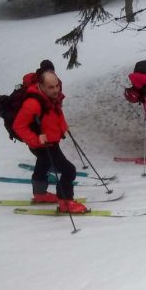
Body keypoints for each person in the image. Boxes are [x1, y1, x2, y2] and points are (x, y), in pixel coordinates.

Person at [13, 67, 87, 213]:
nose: (55, 90)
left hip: (51, 141)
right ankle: (65, 203)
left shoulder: (51, 97)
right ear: (41, 86)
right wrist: (36, 139)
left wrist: (64, 126)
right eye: (51, 87)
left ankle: (40, 194)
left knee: (43, 164)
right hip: (42, 145)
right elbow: (18, 126)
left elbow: (57, 113)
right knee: (68, 170)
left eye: (57, 86)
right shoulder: (32, 104)